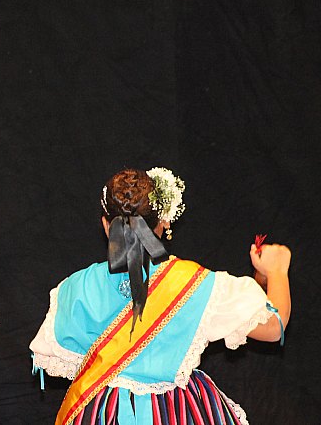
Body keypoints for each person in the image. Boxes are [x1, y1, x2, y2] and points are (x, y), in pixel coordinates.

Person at [29, 168, 291, 425]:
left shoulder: (74, 287)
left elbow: (55, 356)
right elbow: (272, 328)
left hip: (99, 414)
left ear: (106, 225)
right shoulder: (195, 284)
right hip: (173, 413)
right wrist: (277, 270)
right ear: (163, 223)